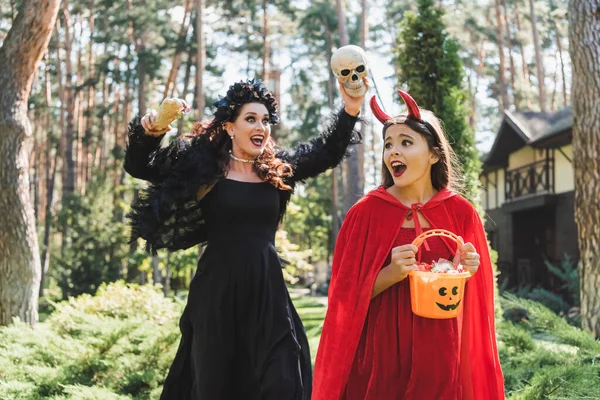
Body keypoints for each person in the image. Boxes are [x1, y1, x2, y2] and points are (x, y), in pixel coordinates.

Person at [124, 78, 368, 400]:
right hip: (217, 292)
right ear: (229, 127)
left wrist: (351, 108)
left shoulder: (277, 170)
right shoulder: (205, 169)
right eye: (250, 119)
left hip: (267, 291)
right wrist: (152, 132)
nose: (261, 127)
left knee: (282, 378)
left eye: (265, 120)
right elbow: (141, 166)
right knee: (215, 385)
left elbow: (326, 152)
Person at [312, 90, 504, 400]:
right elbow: (342, 298)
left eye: (405, 142)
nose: (392, 152)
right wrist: (388, 274)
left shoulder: (460, 212)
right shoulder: (365, 213)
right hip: (380, 357)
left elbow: (472, 302)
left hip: (440, 355)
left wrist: (466, 270)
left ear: (434, 154)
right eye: (388, 144)